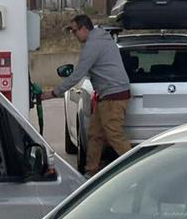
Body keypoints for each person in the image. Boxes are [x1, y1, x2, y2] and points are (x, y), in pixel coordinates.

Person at [41, 15, 132, 175]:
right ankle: (91, 171)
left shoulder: (92, 45)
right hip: (107, 95)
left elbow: (78, 75)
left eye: (75, 31)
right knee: (94, 134)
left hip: (113, 95)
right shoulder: (100, 39)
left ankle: (135, 168)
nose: (73, 35)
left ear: (84, 29)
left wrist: (53, 93)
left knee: (114, 135)